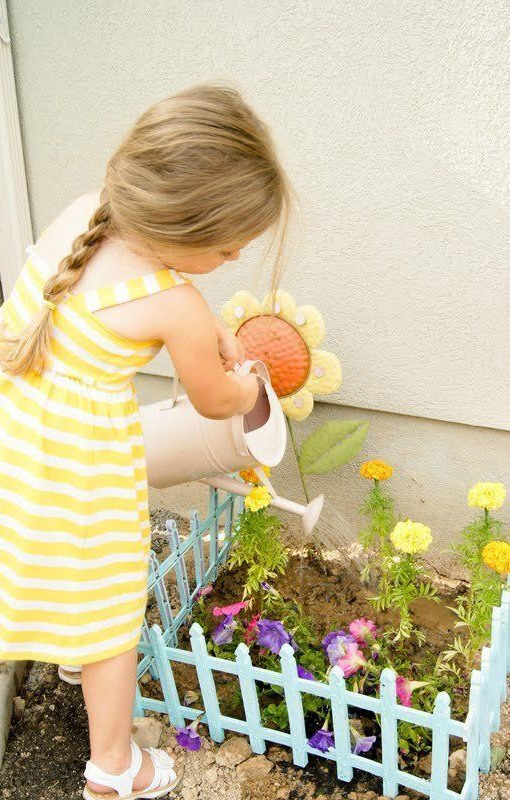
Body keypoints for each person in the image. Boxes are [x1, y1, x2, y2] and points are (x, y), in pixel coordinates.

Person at [0, 83, 292, 799]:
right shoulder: (176, 304)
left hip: (21, 430)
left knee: (31, 552)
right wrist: (252, 388)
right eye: (226, 250)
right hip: (83, 465)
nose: (227, 262)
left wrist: (207, 329)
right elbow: (214, 398)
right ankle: (113, 768)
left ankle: (67, 646)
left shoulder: (83, 212)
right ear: (186, 235)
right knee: (109, 605)